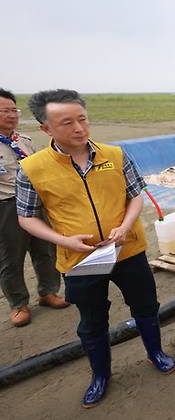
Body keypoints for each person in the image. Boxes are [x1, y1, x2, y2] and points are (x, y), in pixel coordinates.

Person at [17, 89, 175, 408]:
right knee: (92, 319)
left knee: (145, 305)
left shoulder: (114, 155)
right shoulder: (32, 168)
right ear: (46, 128)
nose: (79, 128)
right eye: (67, 122)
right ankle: (101, 375)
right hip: (80, 259)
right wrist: (65, 241)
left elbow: (136, 196)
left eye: (82, 119)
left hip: (127, 250)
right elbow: (26, 217)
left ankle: (155, 353)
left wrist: (126, 225)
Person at [0, 88, 67, 327]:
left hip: (35, 203)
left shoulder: (24, 142)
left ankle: (48, 292)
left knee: (46, 250)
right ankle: (19, 305)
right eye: (4, 111)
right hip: (6, 207)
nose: (11, 115)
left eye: (13, 110)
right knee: (11, 259)